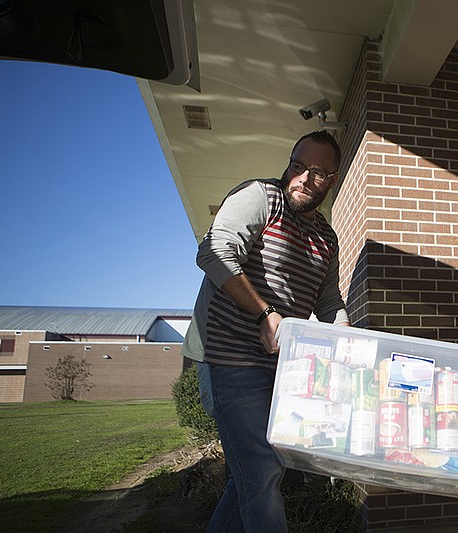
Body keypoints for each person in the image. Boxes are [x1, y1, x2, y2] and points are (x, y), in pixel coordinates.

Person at [182, 129, 350, 532]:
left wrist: (348, 338)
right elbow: (214, 251)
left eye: (317, 172)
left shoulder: (327, 237)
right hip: (228, 357)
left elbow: (328, 303)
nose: (303, 178)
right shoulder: (262, 198)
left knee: (254, 475)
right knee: (260, 473)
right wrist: (264, 312)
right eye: (296, 165)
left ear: (332, 179)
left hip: (280, 365)